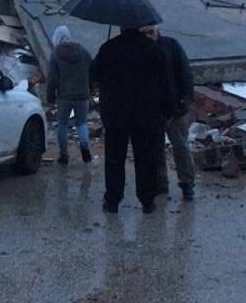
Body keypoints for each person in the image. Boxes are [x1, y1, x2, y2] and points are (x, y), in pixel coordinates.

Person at [91, 26, 173, 214]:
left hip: (115, 114)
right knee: (146, 158)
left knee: (114, 158)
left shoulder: (109, 48)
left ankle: (112, 200)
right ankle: (147, 200)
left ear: (121, 27)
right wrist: (168, 109)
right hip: (146, 115)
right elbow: (165, 83)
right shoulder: (154, 50)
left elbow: (94, 74)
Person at [143, 25, 196, 201]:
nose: (149, 36)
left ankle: (187, 184)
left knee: (180, 146)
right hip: (154, 108)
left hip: (175, 108)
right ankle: (161, 183)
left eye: (150, 31)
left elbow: (185, 72)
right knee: (156, 147)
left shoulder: (171, 46)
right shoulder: (142, 51)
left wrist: (186, 98)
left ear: (156, 30)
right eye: (145, 33)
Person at [46, 25, 93, 166]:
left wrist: (50, 98)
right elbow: (92, 68)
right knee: (82, 123)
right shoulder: (83, 51)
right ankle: (84, 146)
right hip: (82, 95)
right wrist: (90, 86)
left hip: (64, 97)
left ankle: (64, 156)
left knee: (62, 125)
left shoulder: (55, 55)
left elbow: (52, 78)